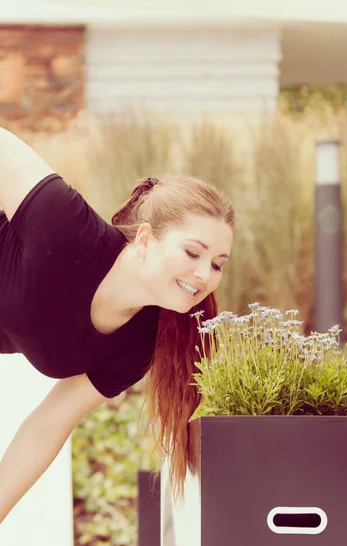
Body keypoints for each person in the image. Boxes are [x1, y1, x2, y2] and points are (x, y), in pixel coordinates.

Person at [0, 127, 235, 523]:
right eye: (193, 252)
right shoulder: (65, 227)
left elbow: (47, 426)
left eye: (217, 265)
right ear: (145, 240)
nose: (203, 275)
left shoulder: (135, 345)